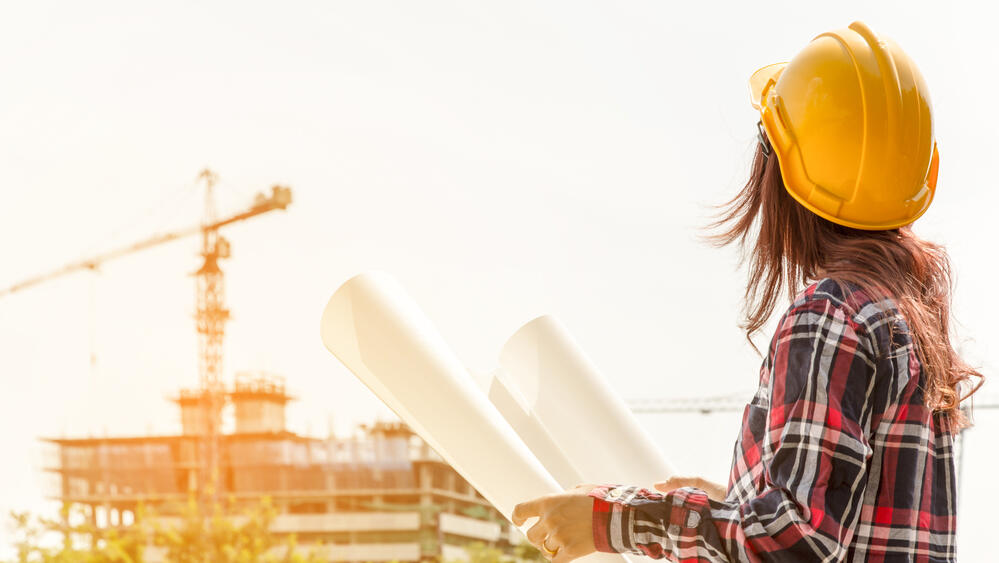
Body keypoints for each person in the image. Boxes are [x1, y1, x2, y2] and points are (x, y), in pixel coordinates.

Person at [511, 21, 983, 562]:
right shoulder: (906, 322)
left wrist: (612, 520)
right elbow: (854, 521)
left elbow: (796, 540)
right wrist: (732, 500)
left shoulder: (830, 316)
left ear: (783, 171)